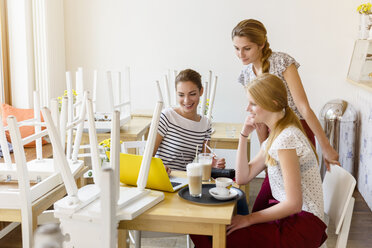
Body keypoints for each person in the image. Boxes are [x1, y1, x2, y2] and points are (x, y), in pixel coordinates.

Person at [191, 73, 327, 247]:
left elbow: (294, 204)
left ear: (273, 104)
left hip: (300, 225)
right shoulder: (277, 135)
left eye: (253, 103)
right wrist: (244, 135)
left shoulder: (286, 139)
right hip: (289, 218)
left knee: (212, 234)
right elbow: (242, 177)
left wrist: (249, 219)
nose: (248, 108)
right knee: (208, 230)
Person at [231, 19, 339, 213]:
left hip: (297, 131)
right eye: (236, 48)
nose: (241, 55)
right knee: (268, 199)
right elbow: (260, 121)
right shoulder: (246, 74)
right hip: (274, 138)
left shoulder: (281, 61)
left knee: (294, 196)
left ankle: (306, 227)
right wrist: (265, 158)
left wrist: (326, 147)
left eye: (246, 48)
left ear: (261, 44)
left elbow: (303, 107)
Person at [153, 69, 225, 173]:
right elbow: (147, 157)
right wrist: (160, 167)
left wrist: (213, 164)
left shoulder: (205, 124)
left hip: (188, 181)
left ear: (201, 91)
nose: (186, 100)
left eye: (192, 94)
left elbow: (204, 161)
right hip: (163, 179)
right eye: (181, 95)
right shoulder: (167, 116)